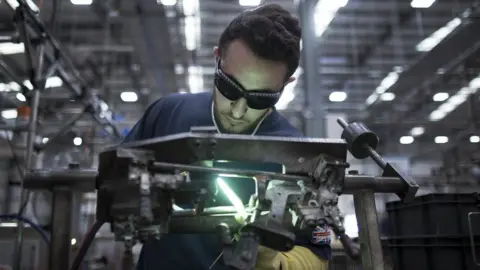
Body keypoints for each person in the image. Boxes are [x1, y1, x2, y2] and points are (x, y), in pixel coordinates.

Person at [123, 4, 330, 270]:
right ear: (218, 57)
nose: (239, 110)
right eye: (230, 87)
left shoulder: (298, 155)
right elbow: (117, 187)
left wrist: (275, 262)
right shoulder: (167, 115)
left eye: (260, 98)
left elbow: (320, 249)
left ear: (286, 84)